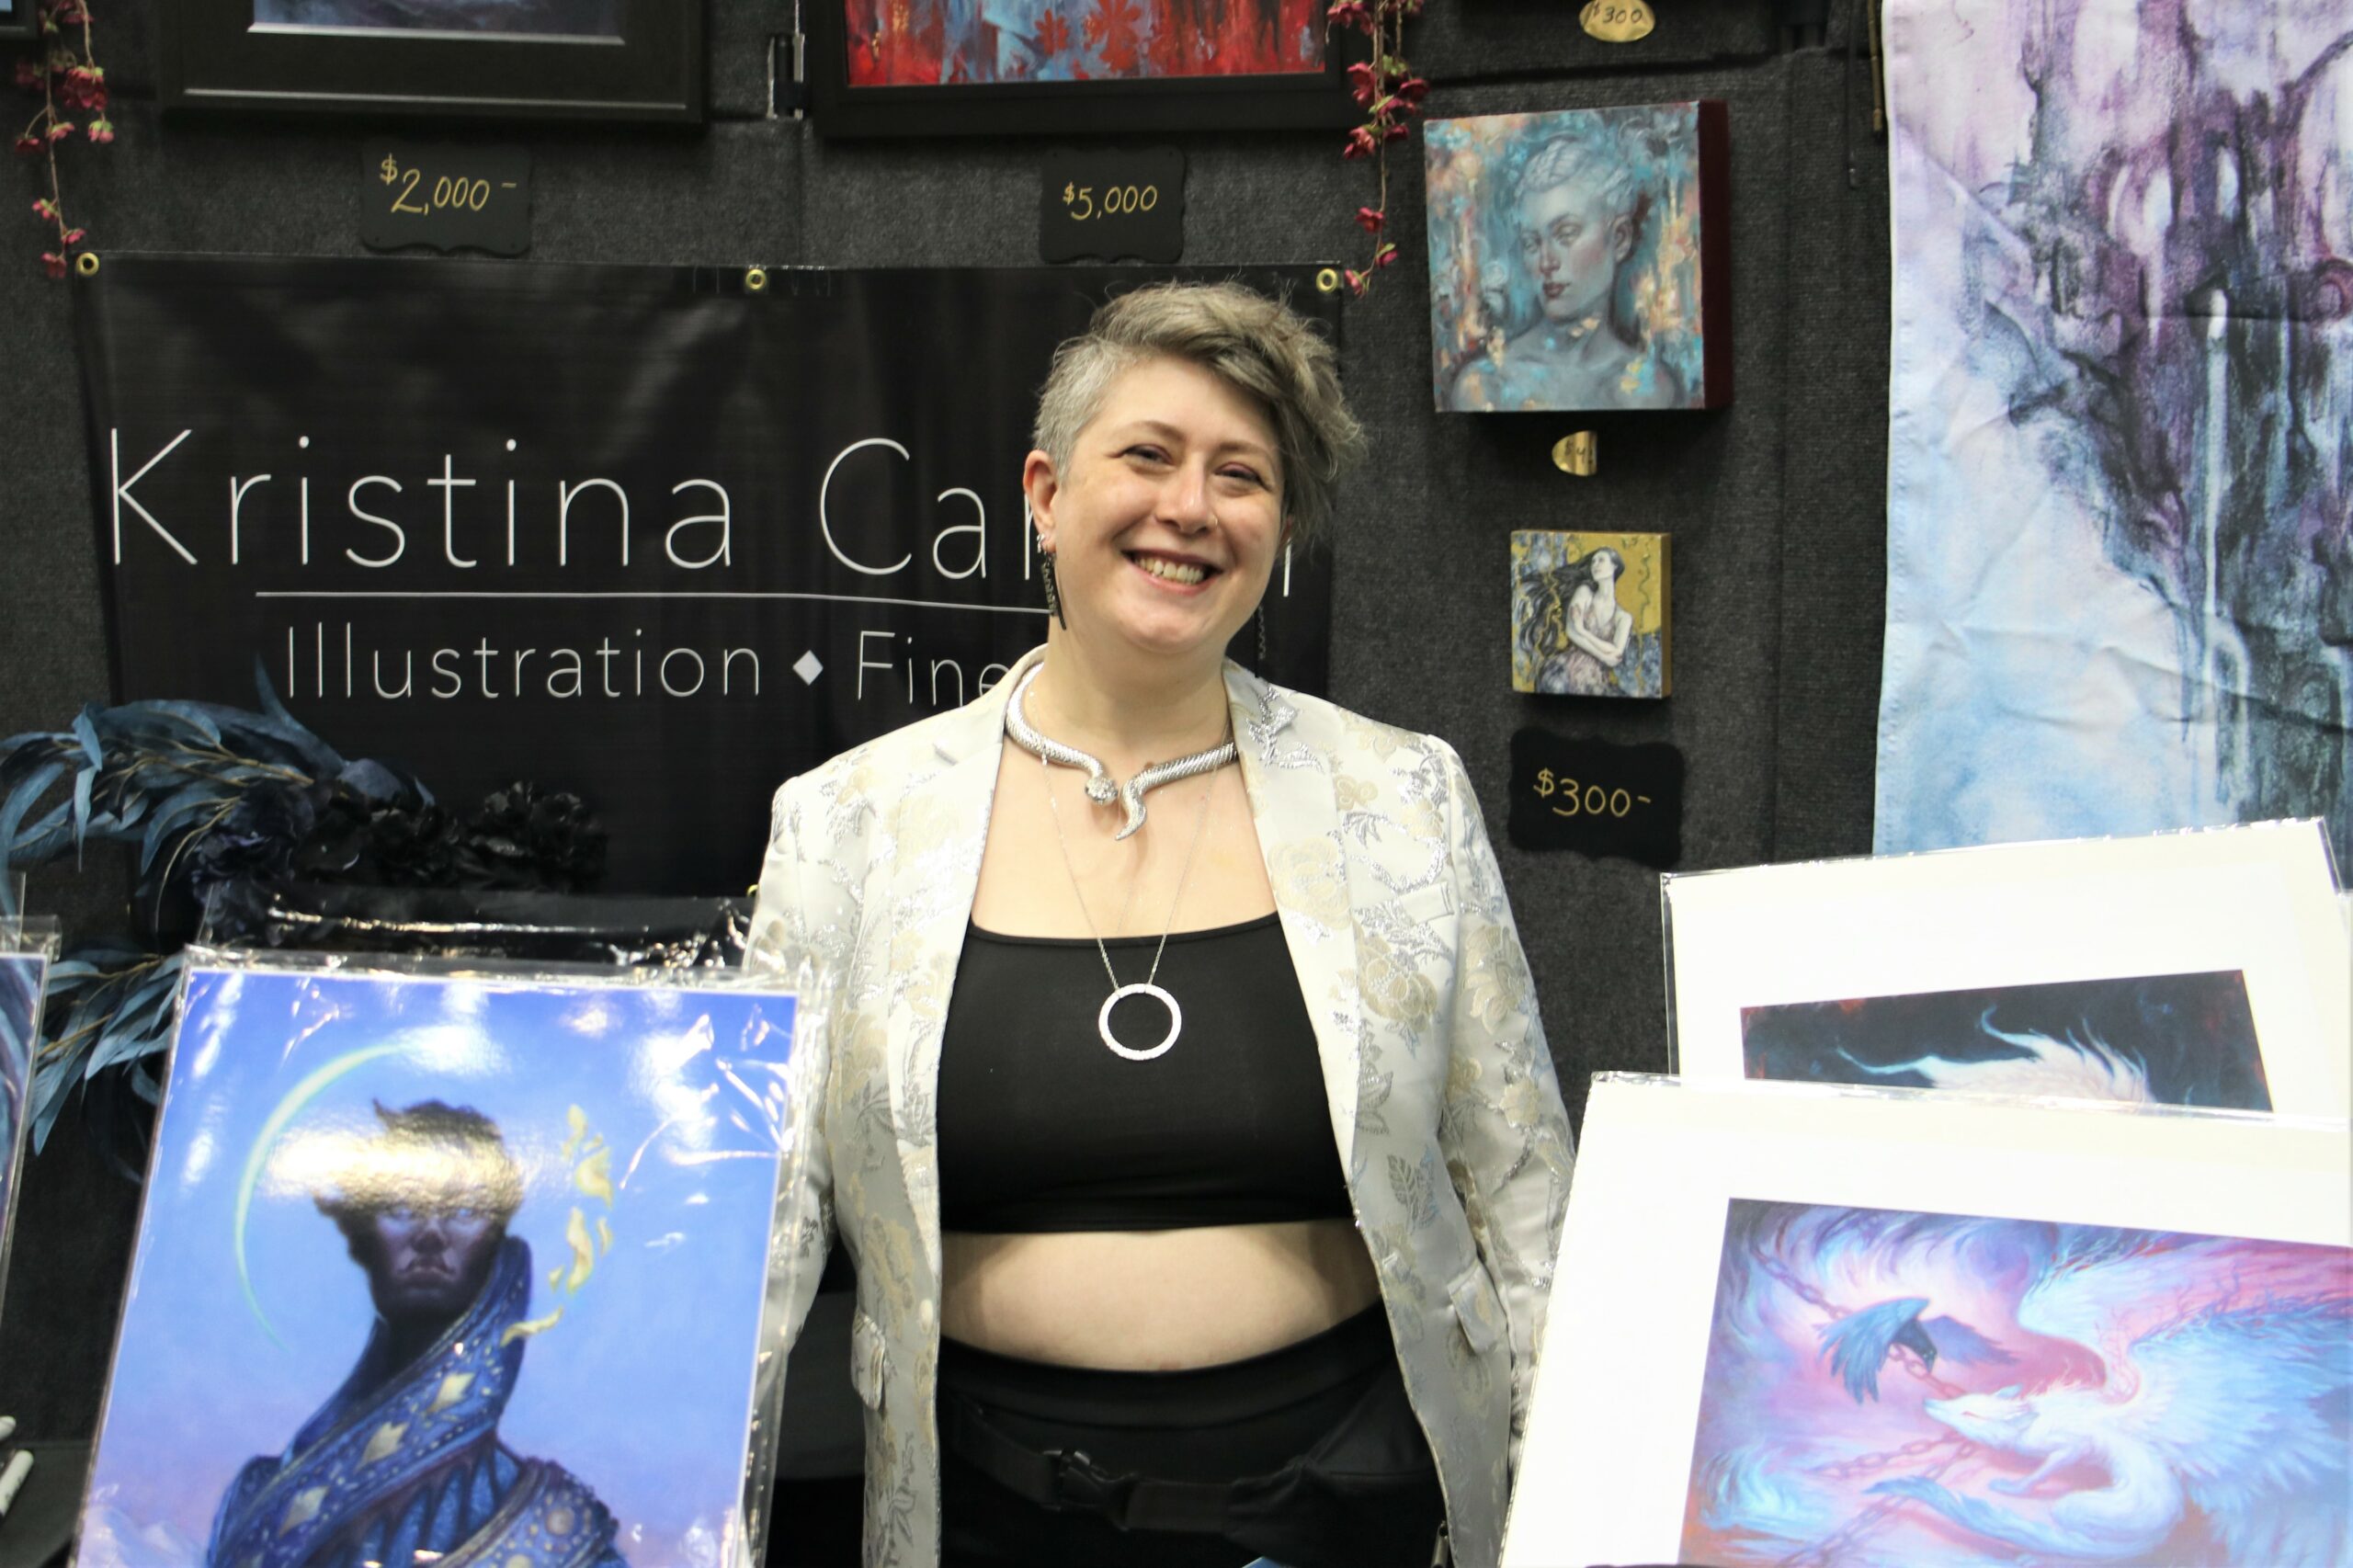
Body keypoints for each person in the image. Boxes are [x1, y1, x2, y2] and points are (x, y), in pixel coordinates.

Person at [747, 281, 1573, 1568]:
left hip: (1351, 1503)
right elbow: (756, 1235)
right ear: (1044, 494)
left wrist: (1572, 1505)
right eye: (1146, 454)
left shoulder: (1403, 796)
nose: (1189, 506)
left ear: (1278, 530)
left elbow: (1523, 1195)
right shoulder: (847, 822)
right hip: (983, 1515)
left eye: (1241, 475)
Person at [207, 1100, 628, 1568]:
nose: (430, 1235)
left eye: (464, 1210)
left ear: (496, 1241)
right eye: (403, 1207)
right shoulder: (253, 1502)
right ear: (364, 1235)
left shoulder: (554, 1528)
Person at [1451, 129, 1684, 413]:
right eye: (1532, 243)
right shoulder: (1488, 385)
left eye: (1566, 234)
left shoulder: (1650, 389)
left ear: (1620, 239)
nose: (1546, 261)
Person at [1537, 547, 1634, 696]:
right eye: (1593, 561)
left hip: (1596, 678)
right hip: (1568, 666)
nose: (1595, 565)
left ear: (1614, 566)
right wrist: (1604, 656)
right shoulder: (1584, 592)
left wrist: (1583, 631)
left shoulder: (1624, 617)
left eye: (1601, 560)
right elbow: (1571, 631)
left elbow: (1616, 655)